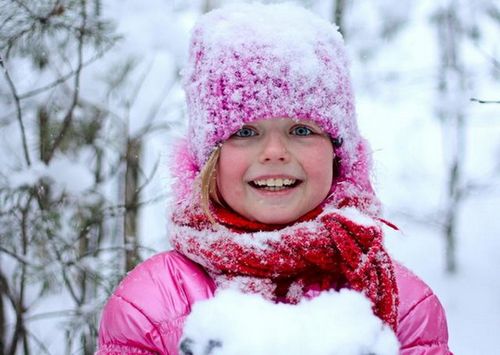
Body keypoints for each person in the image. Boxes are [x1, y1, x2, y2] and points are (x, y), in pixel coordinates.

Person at [96, 3, 451, 354]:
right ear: (209, 161)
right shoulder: (152, 302)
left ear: (338, 154)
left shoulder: (400, 300)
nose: (275, 152)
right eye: (246, 132)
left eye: (301, 129)